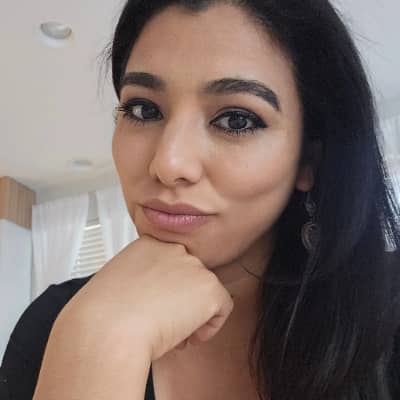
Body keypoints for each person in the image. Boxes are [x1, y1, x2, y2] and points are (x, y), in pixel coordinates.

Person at [1, 1, 400, 399]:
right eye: (143, 109)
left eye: (236, 120)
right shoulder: (58, 322)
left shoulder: (388, 310)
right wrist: (102, 341)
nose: (168, 163)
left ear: (308, 160)